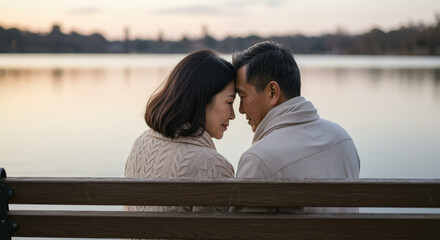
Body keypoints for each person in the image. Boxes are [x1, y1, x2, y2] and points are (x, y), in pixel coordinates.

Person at [232, 41, 360, 213]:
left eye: (243, 96)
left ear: (272, 92)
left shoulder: (260, 159)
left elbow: (241, 232)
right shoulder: (342, 138)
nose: (240, 110)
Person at [124, 50, 236, 213]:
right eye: (230, 102)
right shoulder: (212, 166)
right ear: (202, 99)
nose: (232, 115)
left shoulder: (141, 142)